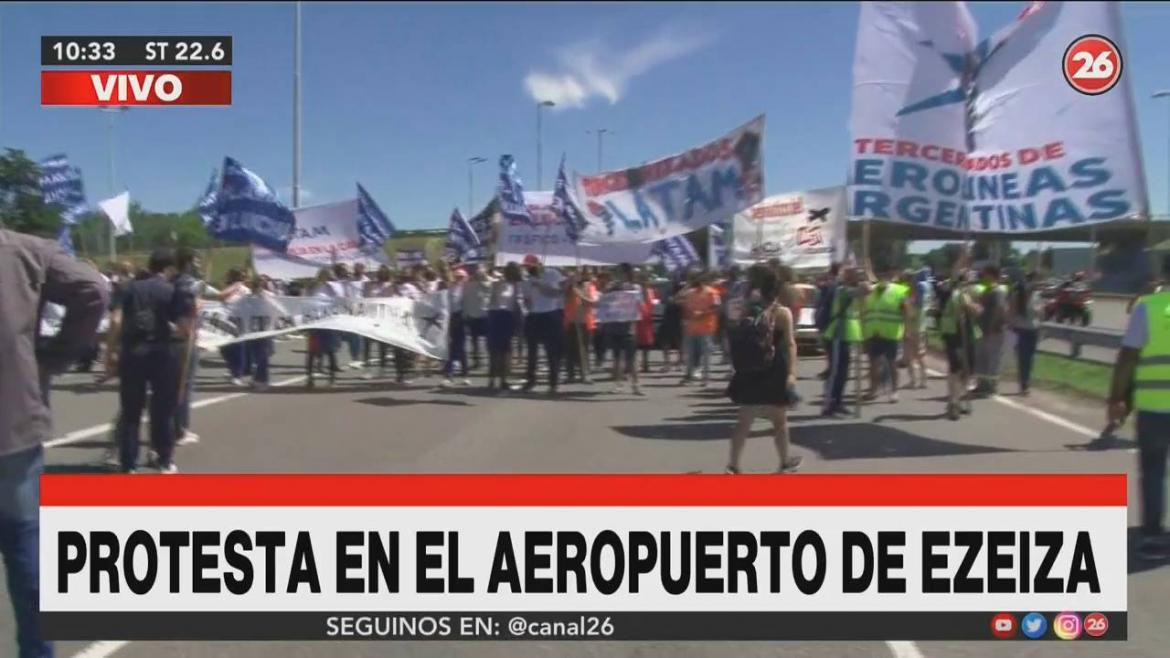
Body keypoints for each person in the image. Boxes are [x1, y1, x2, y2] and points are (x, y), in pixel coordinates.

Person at [2, 228, 108, 658]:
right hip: (13, 420)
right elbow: (93, 289)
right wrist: (54, 357)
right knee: (26, 546)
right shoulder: (23, 249)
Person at [1109, 262, 1170, 560]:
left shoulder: (1149, 307)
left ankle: (1153, 537)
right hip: (1154, 408)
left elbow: (1128, 356)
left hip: (1155, 407)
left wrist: (1116, 397)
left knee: (1154, 471)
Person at [115, 248, 196, 474]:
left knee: (131, 411)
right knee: (163, 410)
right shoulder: (173, 291)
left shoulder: (130, 288)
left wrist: (111, 352)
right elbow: (184, 329)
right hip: (163, 351)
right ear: (169, 268)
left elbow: (116, 320)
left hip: (132, 352)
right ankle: (164, 460)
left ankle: (128, 463)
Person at [725, 264, 802, 475]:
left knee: (744, 420)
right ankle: (785, 462)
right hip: (774, 370)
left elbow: (731, 335)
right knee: (779, 420)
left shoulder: (744, 310)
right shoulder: (782, 312)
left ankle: (733, 465)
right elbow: (790, 344)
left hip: (748, 369)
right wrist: (792, 373)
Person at [939, 272, 983, 421]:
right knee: (955, 367)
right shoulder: (949, 291)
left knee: (967, 370)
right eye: (968, 281)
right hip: (953, 334)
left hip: (969, 335)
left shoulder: (972, 294)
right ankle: (953, 402)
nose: (971, 284)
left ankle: (959, 397)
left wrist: (970, 304)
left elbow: (978, 311)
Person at [821, 267, 865, 417]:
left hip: (847, 335)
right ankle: (828, 404)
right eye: (854, 274)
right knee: (835, 371)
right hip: (837, 333)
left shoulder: (850, 289)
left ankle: (838, 402)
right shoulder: (841, 290)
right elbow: (865, 290)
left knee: (844, 372)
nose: (857, 276)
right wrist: (868, 276)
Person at [864, 268, 911, 404]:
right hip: (873, 332)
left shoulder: (898, 290)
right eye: (880, 275)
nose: (883, 277)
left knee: (892, 364)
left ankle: (894, 391)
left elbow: (906, 311)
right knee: (873, 364)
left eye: (885, 275)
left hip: (892, 333)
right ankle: (873, 390)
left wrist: (907, 330)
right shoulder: (871, 290)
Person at [520, 254, 566, 395]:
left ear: (538, 265)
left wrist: (542, 286)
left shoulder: (552, 274)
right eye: (526, 267)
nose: (528, 270)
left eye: (530, 267)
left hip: (550, 314)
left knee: (551, 351)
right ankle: (531, 380)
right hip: (534, 316)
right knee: (532, 351)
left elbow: (559, 293)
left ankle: (553, 383)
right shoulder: (526, 280)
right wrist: (528, 304)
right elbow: (526, 301)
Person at [237, 275, 288, 391]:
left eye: (259, 284)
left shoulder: (268, 296)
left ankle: (263, 381)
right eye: (255, 284)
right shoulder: (248, 297)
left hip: (265, 330)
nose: (256, 286)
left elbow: (279, 309)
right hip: (251, 330)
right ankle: (256, 379)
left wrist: (275, 322)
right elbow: (241, 310)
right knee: (254, 356)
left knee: (263, 357)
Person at [606, 263, 645, 396]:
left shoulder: (636, 288)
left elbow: (640, 303)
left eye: (624, 272)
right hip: (615, 325)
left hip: (629, 327)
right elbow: (605, 299)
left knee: (632, 358)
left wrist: (630, 290)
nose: (621, 275)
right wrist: (614, 288)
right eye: (619, 272)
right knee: (617, 358)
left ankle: (636, 385)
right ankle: (618, 384)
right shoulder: (612, 286)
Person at [678, 270, 720, 386]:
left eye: (696, 278)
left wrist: (702, 313)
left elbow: (716, 308)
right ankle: (689, 376)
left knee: (706, 355)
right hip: (691, 329)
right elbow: (679, 301)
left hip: (706, 329)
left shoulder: (712, 292)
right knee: (690, 354)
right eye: (693, 278)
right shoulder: (689, 293)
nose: (694, 280)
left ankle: (706, 379)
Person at [487, 263, 524, 392]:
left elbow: (519, 301)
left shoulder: (516, 286)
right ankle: (492, 378)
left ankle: (503, 379)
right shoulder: (497, 282)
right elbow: (490, 291)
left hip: (509, 317)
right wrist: (498, 281)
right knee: (494, 349)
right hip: (495, 315)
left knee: (506, 350)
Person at [972, 264, 1008, 397]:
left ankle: (991, 387)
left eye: (984, 273)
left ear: (991, 275)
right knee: (981, 358)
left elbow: (999, 310)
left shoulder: (998, 291)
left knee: (992, 359)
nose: (982, 276)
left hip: (994, 331)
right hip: (982, 329)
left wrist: (993, 327)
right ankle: (981, 384)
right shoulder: (986, 290)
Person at [1010, 271, 1044, 396]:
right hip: (1021, 330)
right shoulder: (1018, 295)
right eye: (1034, 281)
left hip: (1033, 329)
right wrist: (1010, 326)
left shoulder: (1037, 295)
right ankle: (1024, 384)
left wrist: (1041, 326)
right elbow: (1012, 312)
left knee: (1030, 358)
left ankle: (1026, 382)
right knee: (1023, 358)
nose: (1036, 284)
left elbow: (1041, 313)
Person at [305, 268, 340, 389]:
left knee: (330, 351)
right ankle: (310, 377)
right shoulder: (312, 286)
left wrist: (332, 284)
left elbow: (339, 298)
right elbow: (304, 298)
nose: (325, 276)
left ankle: (332, 378)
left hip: (329, 321)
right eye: (323, 274)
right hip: (315, 321)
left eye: (327, 274)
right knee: (312, 351)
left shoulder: (333, 286)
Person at [564, 267, 600, 384]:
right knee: (569, 349)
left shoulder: (590, 286)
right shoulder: (571, 286)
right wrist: (570, 285)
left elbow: (592, 302)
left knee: (583, 349)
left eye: (586, 274)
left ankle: (585, 374)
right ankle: (570, 374)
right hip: (571, 321)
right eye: (580, 273)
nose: (584, 276)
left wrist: (580, 294)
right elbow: (563, 296)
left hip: (585, 321)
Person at [216, 268, 251, 386]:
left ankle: (237, 375)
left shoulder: (246, 290)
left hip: (240, 321)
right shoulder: (229, 288)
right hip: (226, 320)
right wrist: (233, 287)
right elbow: (221, 297)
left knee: (238, 348)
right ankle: (232, 369)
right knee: (224, 348)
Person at [440, 268, 472, 387]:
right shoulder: (450, 288)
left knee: (460, 347)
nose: (459, 279)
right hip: (451, 317)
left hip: (462, 318)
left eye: (461, 277)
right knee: (453, 346)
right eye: (457, 277)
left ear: (466, 278)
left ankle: (454, 375)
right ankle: (455, 375)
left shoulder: (468, 289)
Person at [901, 268, 931, 390]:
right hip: (920, 326)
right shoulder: (924, 290)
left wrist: (906, 304)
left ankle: (915, 380)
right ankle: (922, 380)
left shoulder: (914, 292)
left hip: (913, 326)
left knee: (912, 355)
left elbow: (910, 311)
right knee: (919, 354)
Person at [814, 264, 841, 379]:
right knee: (828, 348)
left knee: (831, 349)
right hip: (825, 321)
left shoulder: (834, 286)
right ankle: (831, 368)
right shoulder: (830, 286)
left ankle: (833, 370)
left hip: (830, 321)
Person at [462, 265, 491, 370]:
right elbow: (464, 298)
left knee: (488, 339)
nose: (478, 275)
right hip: (472, 315)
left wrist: (483, 280)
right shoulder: (468, 285)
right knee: (474, 340)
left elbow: (489, 288)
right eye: (477, 273)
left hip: (485, 314)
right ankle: (476, 360)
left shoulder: (488, 283)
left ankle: (488, 360)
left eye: (481, 273)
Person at [636, 271, 658, 373]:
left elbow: (652, 303)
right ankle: (636, 364)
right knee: (636, 343)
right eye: (642, 279)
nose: (644, 282)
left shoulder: (650, 291)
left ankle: (646, 363)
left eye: (645, 280)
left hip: (647, 319)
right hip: (637, 319)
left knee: (647, 343)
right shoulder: (636, 290)